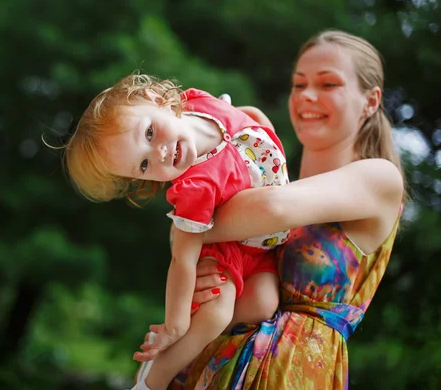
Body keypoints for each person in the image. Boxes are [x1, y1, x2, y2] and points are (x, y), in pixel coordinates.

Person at [136, 29, 405, 389]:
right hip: (212, 368)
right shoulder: (275, 178)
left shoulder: (379, 179)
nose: (307, 96)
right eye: (298, 84)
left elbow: (272, 208)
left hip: (292, 374)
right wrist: (203, 274)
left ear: (371, 101)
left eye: (328, 85)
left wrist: (189, 229)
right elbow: (202, 242)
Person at [63, 73, 291, 390]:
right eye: (143, 165)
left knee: (263, 305)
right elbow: (183, 259)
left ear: (159, 100)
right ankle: (156, 375)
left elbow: (248, 119)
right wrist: (175, 324)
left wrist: (261, 125)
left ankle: (199, 349)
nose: (158, 154)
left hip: (263, 245)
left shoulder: (199, 103)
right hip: (232, 248)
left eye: (150, 133)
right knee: (216, 315)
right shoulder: (194, 188)